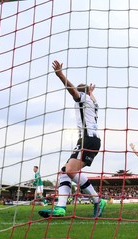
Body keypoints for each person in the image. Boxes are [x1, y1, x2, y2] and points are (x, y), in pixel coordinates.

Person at [38, 60, 106, 218]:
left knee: (70, 170)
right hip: (89, 140)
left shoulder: (82, 98)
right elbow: (89, 95)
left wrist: (60, 75)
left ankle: (97, 200)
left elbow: (73, 91)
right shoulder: (93, 102)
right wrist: (90, 91)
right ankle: (61, 208)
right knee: (64, 172)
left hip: (87, 140)